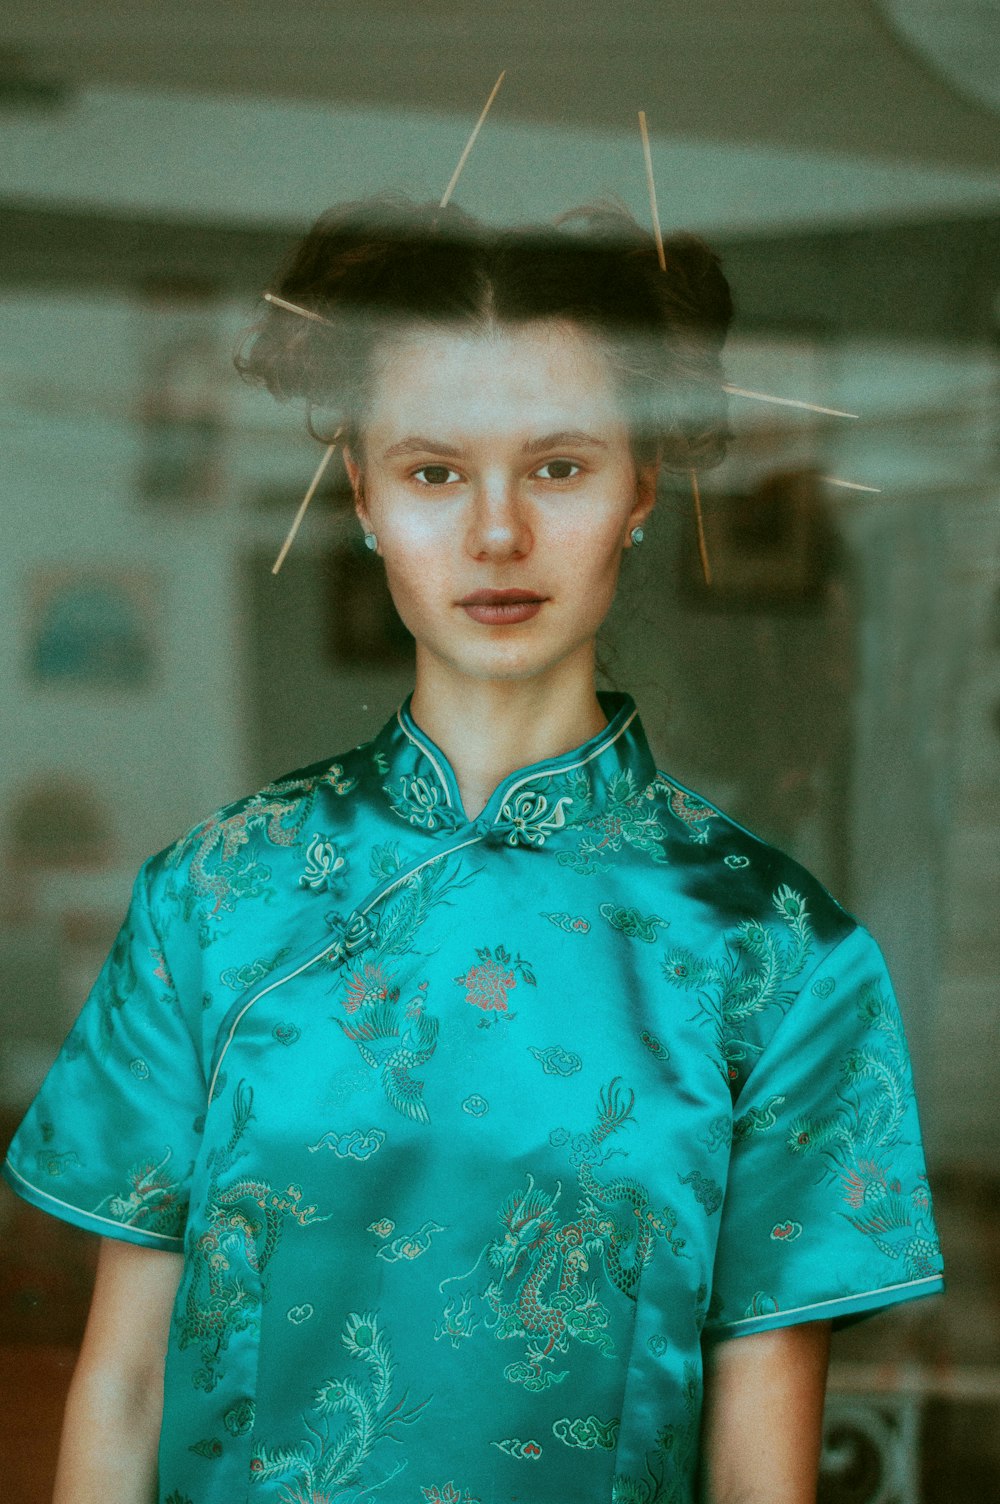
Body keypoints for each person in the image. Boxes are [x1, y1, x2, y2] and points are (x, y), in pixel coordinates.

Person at [3, 197, 944, 1504]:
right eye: (435, 470)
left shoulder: (779, 956)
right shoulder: (215, 898)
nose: (496, 533)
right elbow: (124, 1384)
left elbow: (757, 1456)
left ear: (642, 484)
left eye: (558, 466)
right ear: (363, 494)